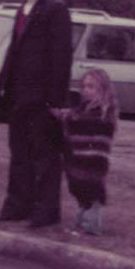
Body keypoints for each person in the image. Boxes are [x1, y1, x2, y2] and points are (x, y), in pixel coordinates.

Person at [0, 0, 74, 228]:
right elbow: (14, 52)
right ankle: (16, 207)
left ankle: (45, 212)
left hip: (42, 99)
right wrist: (3, 88)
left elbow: (61, 58)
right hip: (18, 98)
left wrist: (55, 101)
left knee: (46, 157)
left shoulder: (56, 9)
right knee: (20, 155)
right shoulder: (21, 10)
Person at [55, 66, 118, 235]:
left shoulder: (104, 112)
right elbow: (75, 116)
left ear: (103, 90)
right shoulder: (82, 109)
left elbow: (85, 121)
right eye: (83, 86)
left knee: (93, 190)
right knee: (79, 188)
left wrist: (66, 116)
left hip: (94, 159)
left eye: (91, 87)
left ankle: (91, 226)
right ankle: (82, 221)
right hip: (78, 158)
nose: (86, 91)